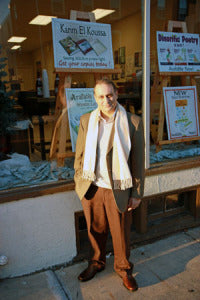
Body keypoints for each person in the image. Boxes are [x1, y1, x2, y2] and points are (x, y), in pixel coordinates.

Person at [74, 78, 145, 292]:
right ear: (95, 98)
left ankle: (124, 269)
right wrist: (80, 179)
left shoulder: (132, 122)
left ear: (117, 94)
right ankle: (96, 262)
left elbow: (138, 162)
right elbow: (80, 154)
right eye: (101, 96)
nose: (107, 100)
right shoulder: (87, 120)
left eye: (110, 94)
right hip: (93, 187)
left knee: (121, 233)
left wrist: (137, 193)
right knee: (95, 230)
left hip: (119, 188)